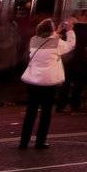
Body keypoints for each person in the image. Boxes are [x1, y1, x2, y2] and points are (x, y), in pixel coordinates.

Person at [19, 18, 75, 149]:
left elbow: (48, 41)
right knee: (46, 113)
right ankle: (40, 141)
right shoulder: (57, 43)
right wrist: (70, 30)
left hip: (33, 81)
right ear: (51, 30)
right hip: (49, 82)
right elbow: (70, 45)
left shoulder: (33, 40)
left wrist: (57, 31)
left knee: (30, 112)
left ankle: (24, 141)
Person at [56, 8, 87, 113]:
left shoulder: (68, 28)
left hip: (67, 59)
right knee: (78, 84)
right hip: (80, 60)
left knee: (65, 84)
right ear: (84, 17)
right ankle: (75, 104)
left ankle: (61, 105)